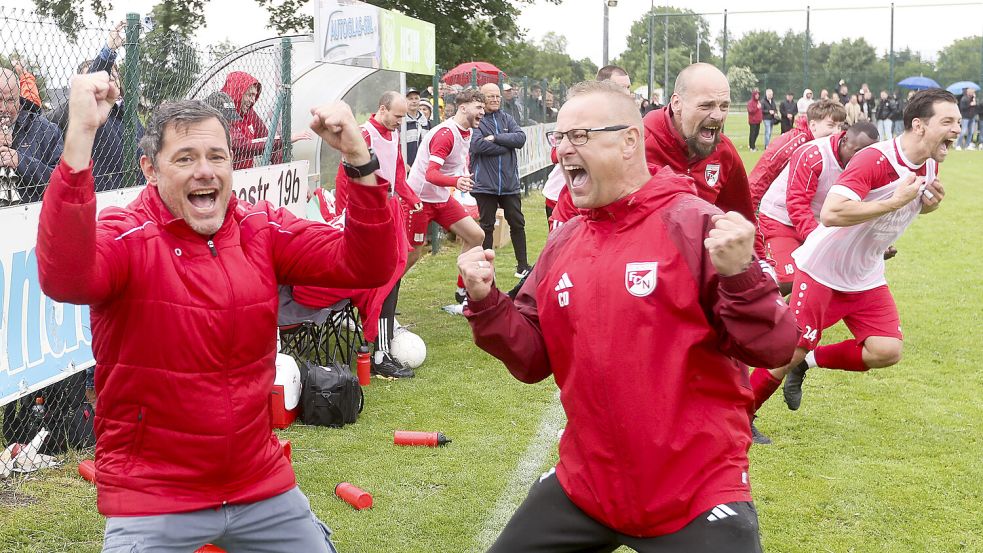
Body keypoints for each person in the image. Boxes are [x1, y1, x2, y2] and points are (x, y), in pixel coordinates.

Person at [37, 71, 398, 551]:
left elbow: (369, 265)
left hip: (258, 482)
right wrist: (81, 135)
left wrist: (357, 157)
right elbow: (64, 276)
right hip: (156, 493)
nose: (204, 171)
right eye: (185, 158)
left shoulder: (259, 228)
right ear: (150, 169)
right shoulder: (127, 234)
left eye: (216, 156)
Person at [461, 79, 798, 552]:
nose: (563, 149)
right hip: (588, 485)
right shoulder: (564, 241)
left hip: (694, 492)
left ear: (629, 140)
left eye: (580, 136)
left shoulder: (694, 224)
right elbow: (533, 358)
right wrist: (487, 302)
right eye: (560, 137)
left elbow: (775, 347)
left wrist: (741, 275)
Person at [775, 89, 957, 411]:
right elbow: (831, 213)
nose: (956, 129)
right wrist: (894, 202)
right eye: (947, 121)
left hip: (864, 272)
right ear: (919, 125)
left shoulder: (929, 165)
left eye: (958, 122)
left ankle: (806, 363)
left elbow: (902, 208)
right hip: (823, 264)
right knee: (792, 346)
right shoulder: (874, 158)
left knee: (887, 350)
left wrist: (928, 205)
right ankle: (743, 412)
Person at [293, 91, 418, 378]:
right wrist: (347, 215)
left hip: (388, 210)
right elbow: (344, 176)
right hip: (368, 215)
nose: (400, 121)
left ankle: (382, 342)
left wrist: (410, 197)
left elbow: (397, 170)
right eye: (397, 116)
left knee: (396, 271)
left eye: (403, 117)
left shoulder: (393, 133)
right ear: (382, 109)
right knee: (386, 276)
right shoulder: (363, 134)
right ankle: (380, 350)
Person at [642, 63, 757, 229]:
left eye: (724, 106)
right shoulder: (639, 145)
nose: (718, 116)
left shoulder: (725, 152)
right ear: (677, 103)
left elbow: (745, 223)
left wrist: (750, 247)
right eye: (706, 105)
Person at [406, 88, 487, 303]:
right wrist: (456, 181)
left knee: (476, 236)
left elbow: (457, 161)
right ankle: (381, 301)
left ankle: (463, 291)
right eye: (479, 107)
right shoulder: (446, 134)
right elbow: (430, 174)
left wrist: (461, 176)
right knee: (412, 254)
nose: (483, 112)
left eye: (483, 108)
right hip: (419, 200)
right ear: (463, 107)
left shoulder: (467, 131)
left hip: (440, 197)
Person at [470, 83, 530, 278]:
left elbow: (520, 138)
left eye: (497, 96)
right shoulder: (477, 120)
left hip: (509, 184)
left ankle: (522, 266)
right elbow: (477, 146)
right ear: (482, 99)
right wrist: (507, 145)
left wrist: (495, 138)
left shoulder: (507, 118)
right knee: (486, 227)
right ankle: (487, 269)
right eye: (491, 96)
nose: (495, 100)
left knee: (518, 223)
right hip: (485, 185)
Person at [220, 71, 308, 169]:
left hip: (246, 173)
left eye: (255, 96)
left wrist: (282, 169)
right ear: (238, 92)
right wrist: (284, 140)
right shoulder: (221, 113)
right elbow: (242, 145)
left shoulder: (249, 113)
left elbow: (267, 138)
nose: (253, 100)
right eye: (249, 95)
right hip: (226, 173)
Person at [0, 67, 62, 204]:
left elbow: (64, 183)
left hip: (33, 213)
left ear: (19, 99)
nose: (3, 108)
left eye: (10, 100)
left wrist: (21, 162)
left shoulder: (45, 130)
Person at [402, 87, 430, 167]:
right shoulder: (400, 121)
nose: (414, 101)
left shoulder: (426, 123)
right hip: (405, 166)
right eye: (410, 99)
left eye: (416, 98)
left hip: (422, 167)